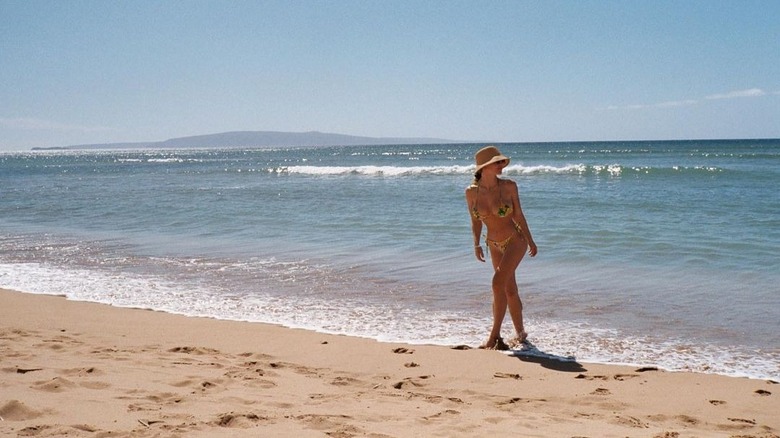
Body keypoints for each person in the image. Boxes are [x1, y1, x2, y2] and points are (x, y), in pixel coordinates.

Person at [465, 146, 537, 350]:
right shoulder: (471, 193)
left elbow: (518, 215)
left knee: (497, 283)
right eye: (497, 162)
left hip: (515, 240)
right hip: (493, 244)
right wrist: (477, 243)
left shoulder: (509, 187)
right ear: (485, 167)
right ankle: (521, 334)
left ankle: (494, 337)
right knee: (509, 289)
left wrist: (531, 240)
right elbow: (475, 221)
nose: (501, 165)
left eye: (501, 162)